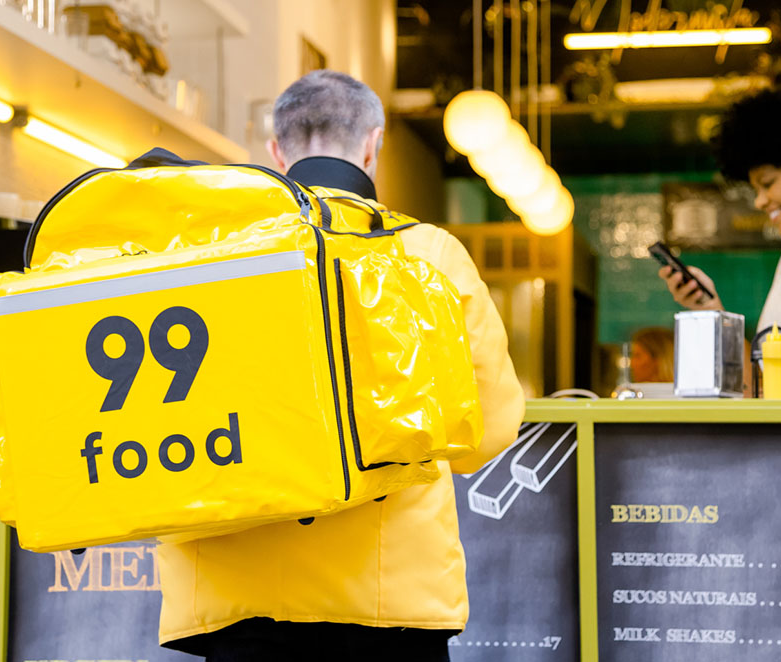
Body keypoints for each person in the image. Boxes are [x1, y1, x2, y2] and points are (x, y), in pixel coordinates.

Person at [154, 70, 525, 661]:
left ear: (277, 153)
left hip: (235, 601)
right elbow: (490, 431)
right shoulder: (429, 255)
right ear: (373, 145)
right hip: (387, 601)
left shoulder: (209, 256)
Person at [659, 88, 781, 358]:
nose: (759, 202)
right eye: (755, 190)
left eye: (767, 183)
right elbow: (761, 385)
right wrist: (710, 308)